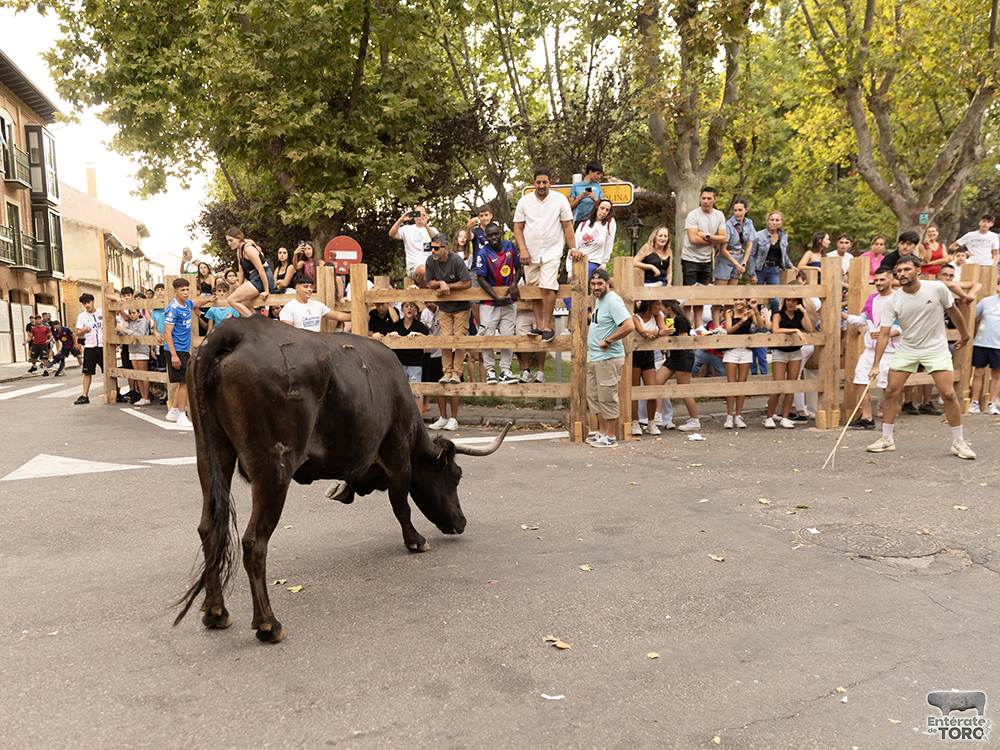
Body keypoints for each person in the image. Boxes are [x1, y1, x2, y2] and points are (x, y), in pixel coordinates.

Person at [866, 256, 974, 459]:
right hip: (908, 349)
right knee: (890, 391)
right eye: (899, 271)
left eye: (907, 269)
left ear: (918, 270)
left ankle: (959, 442)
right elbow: (883, 333)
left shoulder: (937, 289)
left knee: (948, 394)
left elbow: (954, 311)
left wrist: (965, 335)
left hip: (936, 349)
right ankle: (887, 439)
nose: (902, 273)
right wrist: (875, 365)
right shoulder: (894, 300)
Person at [513, 167, 577, 341]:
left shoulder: (560, 200)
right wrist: (523, 250)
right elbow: (518, 228)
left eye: (545, 182)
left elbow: (568, 226)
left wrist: (573, 248)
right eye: (538, 182)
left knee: (548, 286)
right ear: (534, 183)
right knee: (535, 290)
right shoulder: (524, 201)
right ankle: (539, 326)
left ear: (550, 183)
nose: (541, 185)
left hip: (551, 252)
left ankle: (548, 326)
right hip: (530, 254)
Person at [842, 267, 900, 428]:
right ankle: (867, 416)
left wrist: (886, 334)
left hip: (890, 350)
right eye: (876, 280)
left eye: (882, 280)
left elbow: (905, 327)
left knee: (887, 387)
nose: (879, 283)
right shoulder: (872, 298)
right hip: (870, 349)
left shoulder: (898, 298)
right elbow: (862, 321)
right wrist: (842, 314)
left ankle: (889, 421)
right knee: (860, 379)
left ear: (890, 280)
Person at [584, 269, 634, 447]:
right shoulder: (599, 300)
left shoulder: (613, 301)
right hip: (596, 358)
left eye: (599, 284)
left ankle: (611, 436)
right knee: (594, 396)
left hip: (609, 357)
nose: (596, 287)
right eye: (593, 284)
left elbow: (629, 325)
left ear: (608, 283)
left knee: (607, 396)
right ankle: (602, 432)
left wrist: (608, 340)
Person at [164, 278, 216, 426]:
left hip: (183, 350)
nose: (186, 293)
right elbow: (167, 333)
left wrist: (209, 300)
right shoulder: (172, 308)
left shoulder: (187, 304)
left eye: (187, 289)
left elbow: (196, 304)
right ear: (176, 291)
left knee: (183, 381)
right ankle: (182, 415)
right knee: (185, 382)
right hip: (176, 350)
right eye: (183, 290)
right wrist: (173, 355)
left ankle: (173, 411)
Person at [476, 222, 523, 385]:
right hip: (490, 303)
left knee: (508, 336)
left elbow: (519, 268)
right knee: (487, 336)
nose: (494, 237)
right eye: (490, 235)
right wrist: (495, 297)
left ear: (500, 233)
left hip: (509, 302)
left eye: (496, 234)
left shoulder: (510, 247)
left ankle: (505, 370)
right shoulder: (483, 253)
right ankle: (490, 371)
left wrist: (514, 284)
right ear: (486, 237)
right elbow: (480, 279)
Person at [424, 233, 473, 383]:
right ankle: (446, 373)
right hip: (444, 307)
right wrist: (440, 283)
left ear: (445, 248)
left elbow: (467, 283)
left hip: (461, 307)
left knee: (458, 340)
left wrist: (448, 286)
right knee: (445, 340)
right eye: (432, 248)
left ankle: (456, 374)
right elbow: (429, 283)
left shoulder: (456, 260)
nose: (433, 251)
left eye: (436, 248)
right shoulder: (430, 261)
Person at [764, 297, 813, 429]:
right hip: (780, 352)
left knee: (791, 385)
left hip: (795, 352)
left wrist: (804, 312)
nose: (791, 303)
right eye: (788, 300)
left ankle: (785, 417)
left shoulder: (799, 315)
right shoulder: (778, 315)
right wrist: (795, 330)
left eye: (794, 301)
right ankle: (769, 417)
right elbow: (775, 329)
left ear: (799, 302)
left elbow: (809, 329)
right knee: (778, 385)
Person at [681, 186, 727, 325]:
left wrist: (706, 235)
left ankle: (698, 325)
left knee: (701, 294)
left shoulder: (719, 215)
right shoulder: (693, 215)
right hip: (690, 258)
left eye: (708, 198)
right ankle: (688, 326)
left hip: (706, 260)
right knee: (689, 295)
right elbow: (693, 239)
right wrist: (713, 240)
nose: (705, 201)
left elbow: (724, 238)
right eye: (703, 198)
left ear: (714, 199)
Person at [656, 300, 701, 432]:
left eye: (662, 307)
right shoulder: (669, 319)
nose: (661, 310)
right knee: (657, 383)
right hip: (674, 356)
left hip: (683, 356)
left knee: (684, 390)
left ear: (669, 307)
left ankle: (695, 420)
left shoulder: (680, 319)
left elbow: (683, 340)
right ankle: (657, 415)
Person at [722, 298, 765, 428]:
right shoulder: (730, 312)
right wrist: (741, 321)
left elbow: (761, 325)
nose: (738, 302)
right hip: (732, 349)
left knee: (742, 384)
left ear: (746, 301)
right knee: (732, 384)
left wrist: (755, 309)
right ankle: (729, 416)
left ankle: (738, 416)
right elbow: (728, 330)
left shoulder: (750, 312)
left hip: (746, 350)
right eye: (735, 299)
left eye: (741, 299)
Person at [630, 300, 669, 436]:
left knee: (652, 390)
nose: (659, 307)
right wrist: (656, 333)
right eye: (657, 304)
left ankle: (651, 422)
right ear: (650, 305)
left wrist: (656, 333)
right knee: (634, 390)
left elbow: (664, 330)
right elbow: (642, 332)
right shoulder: (635, 317)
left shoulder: (657, 316)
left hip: (650, 354)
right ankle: (634, 421)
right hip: (635, 354)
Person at [422, 300, 460, 430]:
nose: (429, 304)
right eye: (426, 302)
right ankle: (443, 417)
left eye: (431, 301)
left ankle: (453, 418)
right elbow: (425, 331)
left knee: (453, 385)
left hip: (450, 351)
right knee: (439, 386)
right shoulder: (425, 314)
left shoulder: (444, 310)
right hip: (434, 353)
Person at [74, 292, 118, 405]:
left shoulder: (102, 312)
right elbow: (78, 333)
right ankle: (84, 395)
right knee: (87, 372)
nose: (87, 305)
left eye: (88, 302)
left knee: (109, 371)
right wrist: (84, 331)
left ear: (93, 301)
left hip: (103, 346)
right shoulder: (81, 316)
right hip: (90, 347)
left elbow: (113, 319)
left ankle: (116, 392)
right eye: (84, 303)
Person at [715, 200, 754, 322]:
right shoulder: (728, 224)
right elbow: (723, 249)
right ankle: (716, 325)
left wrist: (743, 263)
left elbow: (749, 245)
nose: (737, 213)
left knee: (731, 297)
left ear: (746, 210)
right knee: (720, 296)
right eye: (735, 210)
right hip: (726, 259)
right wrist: (737, 264)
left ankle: (728, 324)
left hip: (739, 258)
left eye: (740, 210)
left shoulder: (749, 223)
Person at [748, 210, 794, 313]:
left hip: (774, 269)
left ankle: (774, 324)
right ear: (767, 221)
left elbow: (783, 253)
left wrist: (790, 266)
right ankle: (755, 325)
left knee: (775, 299)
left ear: (781, 222)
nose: (774, 222)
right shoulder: (758, 235)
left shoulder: (783, 236)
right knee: (756, 298)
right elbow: (751, 255)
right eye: (772, 219)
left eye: (777, 220)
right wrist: (752, 274)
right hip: (759, 269)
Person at [387, 301, 429, 409]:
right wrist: (392, 334)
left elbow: (429, 340)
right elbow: (386, 337)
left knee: (417, 393)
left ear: (415, 311)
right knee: (400, 392)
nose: (409, 309)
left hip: (415, 363)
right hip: (399, 363)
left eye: (411, 307)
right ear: (402, 310)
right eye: (406, 306)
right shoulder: (396, 325)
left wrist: (418, 335)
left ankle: (418, 420)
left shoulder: (419, 326)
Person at [225, 227, 275, 317]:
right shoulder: (239, 251)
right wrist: (239, 288)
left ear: (239, 238)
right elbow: (241, 273)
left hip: (263, 278)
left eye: (231, 240)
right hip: (255, 278)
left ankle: (254, 323)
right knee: (241, 301)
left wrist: (266, 290)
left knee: (231, 300)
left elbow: (261, 270)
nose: (229, 243)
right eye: (228, 241)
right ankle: (256, 321)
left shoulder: (248, 249)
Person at [968, 284, 1000, 415]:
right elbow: (972, 316)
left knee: (997, 375)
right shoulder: (987, 301)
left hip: (998, 346)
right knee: (977, 373)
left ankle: (992, 403)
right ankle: (974, 401)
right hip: (981, 343)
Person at [278, 274, 350, 331]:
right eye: (306, 287)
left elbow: (338, 316)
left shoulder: (317, 305)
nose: (309, 289)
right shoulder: (289, 308)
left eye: (310, 287)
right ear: (297, 288)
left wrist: (355, 317)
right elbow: (288, 332)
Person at [389, 205, 439, 288]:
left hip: (432, 266)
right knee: (423, 271)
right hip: (415, 266)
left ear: (426, 215)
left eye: (422, 214)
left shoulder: (433, 229)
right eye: (416, 214)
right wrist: (401, 219)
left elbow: (438, 241)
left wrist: (426, 225)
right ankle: (423, 296)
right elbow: (392, 234)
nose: (419, 217)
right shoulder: (407, 229)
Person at [569, 161, 604, 229]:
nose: (599, 176)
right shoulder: (576, 186)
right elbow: (570, 207)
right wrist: (580, 197)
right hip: (579, 222)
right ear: (590, 172)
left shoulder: (598, 186)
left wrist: (593, 198)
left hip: (594, 222)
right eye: (597, 174)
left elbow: (603, 205)